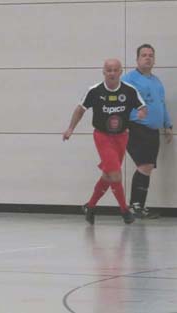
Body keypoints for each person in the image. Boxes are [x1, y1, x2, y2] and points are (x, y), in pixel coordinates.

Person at [62, 59, 147, 225]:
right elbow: (80, 109)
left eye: (115, 70)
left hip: (122, 137)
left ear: (120, 71)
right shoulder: (95, 91)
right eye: (109, 70)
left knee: (108, 176)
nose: (112, 73)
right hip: (103, 137)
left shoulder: (129, 90)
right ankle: (124, 211)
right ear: (104, 72)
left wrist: (142, 112)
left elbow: (142, 106)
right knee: (115, 174)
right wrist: (70, 128)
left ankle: (90, 207)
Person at [122, 44, 173, 219]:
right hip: (136, 128)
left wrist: (168, 125)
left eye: (151, 55)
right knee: (144, 165)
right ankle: (135, 206)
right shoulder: (130, 79)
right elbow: (122, 104)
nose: (148, 58)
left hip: (153, 130)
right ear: (137, 59)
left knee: (148, 167)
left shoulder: (156, 81)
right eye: (144, 55)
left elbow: (161, 104)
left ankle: (138, 206)